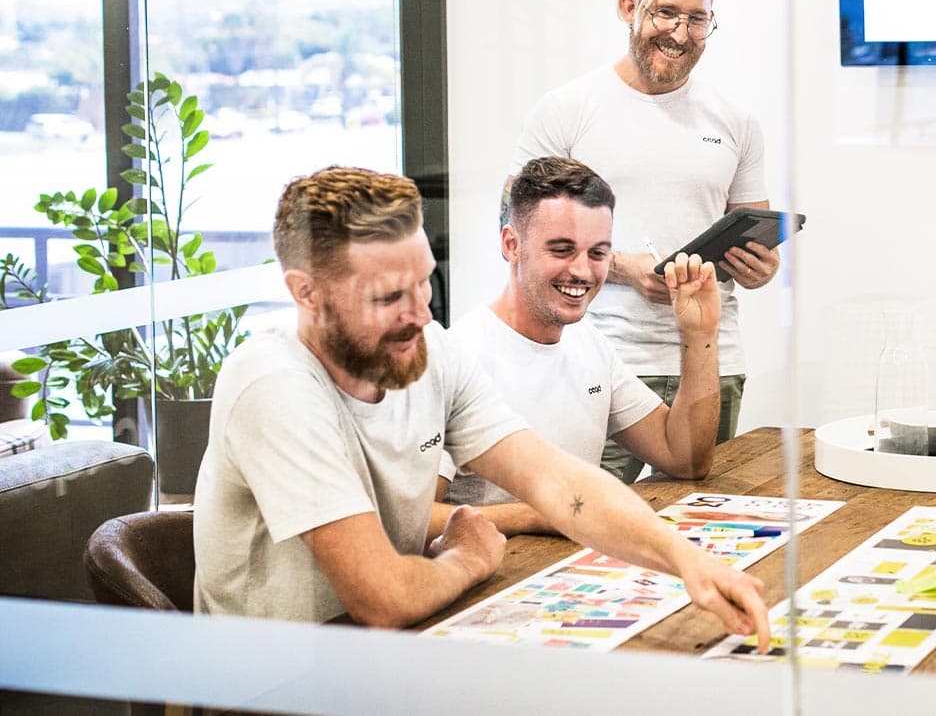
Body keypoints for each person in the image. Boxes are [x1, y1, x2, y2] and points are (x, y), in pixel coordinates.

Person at [192, 165, 769, 648]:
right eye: (390, 297)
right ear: (306, 294)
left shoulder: (430, 350)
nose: (420, 314)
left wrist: (686, 559)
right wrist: (470, 557)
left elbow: (555, 483)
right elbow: (383, 599)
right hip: (273, 682)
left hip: (390, 652)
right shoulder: (274, 381)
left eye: (424, 285)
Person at [511, 0, 779, 483]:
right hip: (597, 359)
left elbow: (756, 231)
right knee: (583, 524)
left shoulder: (735, 120)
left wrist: (761, 267)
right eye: (666, 13)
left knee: (704, 525)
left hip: (710, 361)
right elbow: (520, 237)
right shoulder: (569, 110)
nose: (680, 34)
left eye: (697, 18)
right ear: (629, 7)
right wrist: (625, 267)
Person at [431, 157, 723, 537]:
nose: (583, 272)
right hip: (490, 581)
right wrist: (542, 514)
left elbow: (684, 457)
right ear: (511, 244)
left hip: (569, 572)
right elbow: (413, 522)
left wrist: (700, 333)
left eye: (598, 253)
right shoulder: (458, 357)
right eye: (562, 249)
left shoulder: (588, 341)